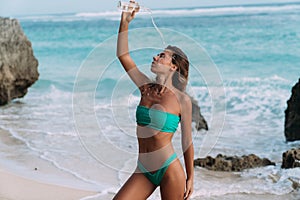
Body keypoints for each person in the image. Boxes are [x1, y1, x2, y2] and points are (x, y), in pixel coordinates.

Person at [114, 9, 194, 200]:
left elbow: (187, 141)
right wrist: (125, 22)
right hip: (143, 169)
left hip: (169, 170)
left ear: (173, 67)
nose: (155, 57)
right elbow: (122, 55)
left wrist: (190, 177)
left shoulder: (182, 100)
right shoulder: (145, 88)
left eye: (161, 56)